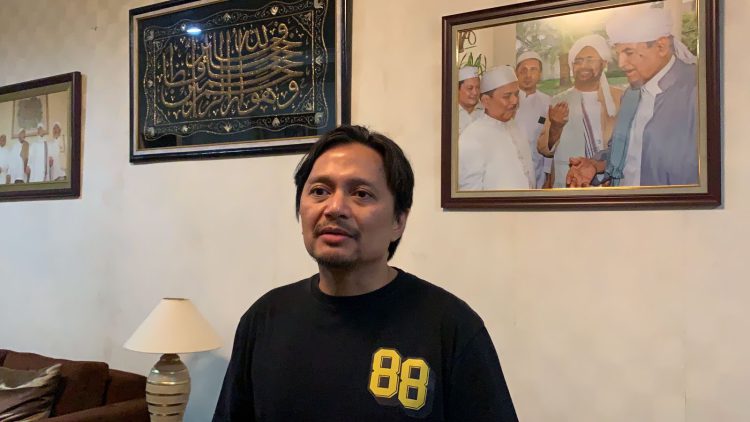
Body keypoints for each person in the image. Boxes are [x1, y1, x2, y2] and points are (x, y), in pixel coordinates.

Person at [214, 125, 517, 421]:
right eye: (319, 191)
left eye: (361, 194)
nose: (335, 208)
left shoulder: (450, 327)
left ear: (398, 221)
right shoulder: (264, 319)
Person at [567, 6, 698, 187]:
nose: (621, 63)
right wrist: (595, 165)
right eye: (618, 53)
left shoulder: (699, 92)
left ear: (661, 46)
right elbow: (623, 151)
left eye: (629, 52)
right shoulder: (630, 95)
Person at [537, 35, 624, 188]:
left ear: (604, 63)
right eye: (578, 61)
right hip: (571, 184)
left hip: (609, 185)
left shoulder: (620, 98)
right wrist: (556, 127)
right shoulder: (559, 101)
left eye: (590, 60)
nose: (584, 65)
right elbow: (544, 149)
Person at [458, 65, 534, 190]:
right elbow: (470, 192)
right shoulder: (472, 137)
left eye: (516, 94)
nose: (515, 101)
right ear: (486, 101)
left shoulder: (515, 126)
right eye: (507, 96)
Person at [514, 51, 552, 188]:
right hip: (510, 168)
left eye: (533, 70)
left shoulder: (547, 102)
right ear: (516, 73)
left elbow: (550, 140)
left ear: (540, 74)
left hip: (537, 172)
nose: (528, 75)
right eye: (523, 70)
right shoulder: (507, 100)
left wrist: (548, 174)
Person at [457, 66, 483, 133]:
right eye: (470, 88)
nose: (475, 92)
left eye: (477, 87)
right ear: (458, 90)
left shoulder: (487, 113)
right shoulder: (450, 114)